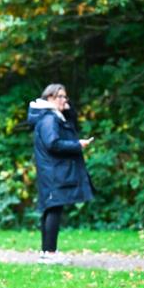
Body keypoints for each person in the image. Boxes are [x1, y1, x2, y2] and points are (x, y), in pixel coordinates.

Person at [26, 83, 94, 263]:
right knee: (54, 209)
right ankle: (49, 253)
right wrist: (77, 145)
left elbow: (71, 124)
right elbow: (53, 144)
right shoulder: (49, 119)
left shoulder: (53, 116)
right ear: (49, 98)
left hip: (53, 171)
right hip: (54, 171)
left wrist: (67, 109)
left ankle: (47, 252)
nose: (64, 100)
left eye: (65, 97)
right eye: (60, 97)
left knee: (52, 208)